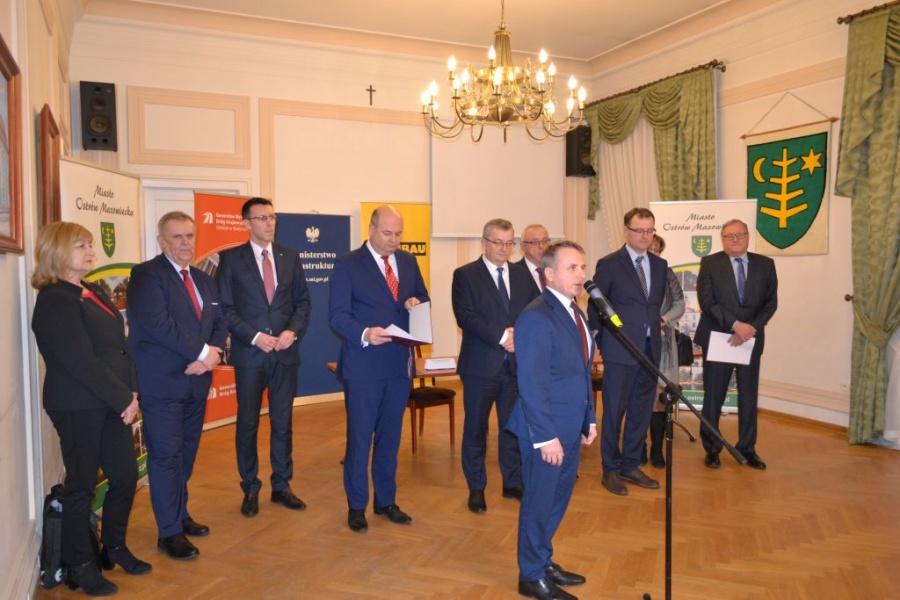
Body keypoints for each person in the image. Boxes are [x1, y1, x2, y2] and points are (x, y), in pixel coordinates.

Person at [31, 222, 150, 596]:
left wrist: (131, 390)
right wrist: (123, 397)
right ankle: (81, 566)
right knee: (81, 486)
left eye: (89, 244)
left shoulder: (92, 289)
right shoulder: (54, 299)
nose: (90, 250)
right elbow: (80, 361)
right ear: (57, 251)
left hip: (112, 399)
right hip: (78, 404)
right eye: (80, 245)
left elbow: (119, 346)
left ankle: (113, 548)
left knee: (125, 476)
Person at [126, 211, 228, 560]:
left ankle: (179, 514)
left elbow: (219, 322)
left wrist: (213, 355)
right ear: (161, 241)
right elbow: (159, 323)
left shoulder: (204, 279)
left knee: (185, 455)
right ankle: (168, 533)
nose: (185, 243)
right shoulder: (146, 276)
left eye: (190, 236)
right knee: (167, 457)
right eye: (177, 237)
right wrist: (202, 352)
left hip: (197, 382)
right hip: (163, 385)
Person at [328, 205, 429, 533]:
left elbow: (422, 298)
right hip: (363, 367)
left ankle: (386, 501)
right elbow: (337, 315)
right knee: (360, 439)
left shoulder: (408, 262)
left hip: (398, 366)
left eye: (398, 234)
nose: (393, 240)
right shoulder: (347, 264)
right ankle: (356, 505)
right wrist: (364, 333)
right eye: (387, 233)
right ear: (371, 230)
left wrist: (415, 304)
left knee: (390, 438)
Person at [507, 240, 597, 600]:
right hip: (544, 430)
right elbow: (532, 381)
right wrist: (545, 437)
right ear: (549, 273)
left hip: (570, 424)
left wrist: (589, 419)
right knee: (538, 502)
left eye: (582, 267)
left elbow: (581, 372)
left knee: (556, 500)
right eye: (572, 268)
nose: (581, 274)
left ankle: (542, 560)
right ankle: (530, 576)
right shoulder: (536, 315)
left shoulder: (576, 312)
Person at [216, 197, 312, 517]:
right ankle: (250, 487)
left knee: (282, 423)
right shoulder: (231, 259)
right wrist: (255, 336)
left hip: (285, 354)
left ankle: (281, 485)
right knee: (247, 424)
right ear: (246, 223)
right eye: (262, 218)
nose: (269, 223)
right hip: (250, 355)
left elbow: (302, 302)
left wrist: (291, 332)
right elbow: (225, 308)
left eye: (272, 217)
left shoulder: (290, 256)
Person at [452, 219, 539, 513]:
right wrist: (503, 337)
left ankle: (512, 482)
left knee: (512, 428)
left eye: (509, 243)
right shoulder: (465, 275)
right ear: (484, 242)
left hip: (515, 367)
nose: (504, 249)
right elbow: (465, 316)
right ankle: (476, 488)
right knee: (476, 430)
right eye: (498, 243)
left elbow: (535, 311)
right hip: (480, 367)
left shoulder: (523, 275)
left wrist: (520, 337)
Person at [588, 207, 667, 496]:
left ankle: (630, 465)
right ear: (626, 231)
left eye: (650, 231)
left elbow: (652, 305)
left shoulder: (660, 265)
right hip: (619, 350)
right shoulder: (610, 264)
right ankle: (610, 469)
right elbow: (596, 304)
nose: (645, 236)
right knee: (614, 412)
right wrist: (599, 339)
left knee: (641, 410)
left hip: (649, 350)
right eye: (639, 230)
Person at [695, 219, 778, 470]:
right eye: (729, 236)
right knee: (714, 397)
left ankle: (747, 448)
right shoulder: (710, 263)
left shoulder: (766, 264)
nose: (735, 239)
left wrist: (749, 328)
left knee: (749, 397)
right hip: (720, 337)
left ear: (747, 236)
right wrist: (735, 325)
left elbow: (771, 303)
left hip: (750, 339)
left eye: (740, 234)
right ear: (722, 239)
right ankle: (712, 448)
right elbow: (707, 302)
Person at [644, 234, 685, 469]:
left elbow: (679, 304)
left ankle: (657, 450)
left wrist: (662, 320)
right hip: (639, 344)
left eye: (657, 250)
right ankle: (638, 447)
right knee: (640, 398)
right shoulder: (633, 274)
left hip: (664, 344)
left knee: (660, 400)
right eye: (650, 249)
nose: (654, 253)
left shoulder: (667, 274)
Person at [517, 223, 551, 293]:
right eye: (535, 242)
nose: (541, 246)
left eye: (545, 241)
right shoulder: (514, 273)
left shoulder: (556, 270)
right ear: (523, 247)